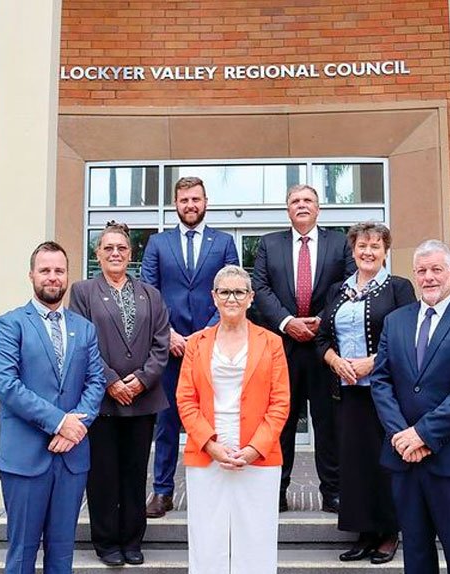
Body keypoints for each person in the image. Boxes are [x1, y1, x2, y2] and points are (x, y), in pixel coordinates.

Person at [370, 239, 450, 574]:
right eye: (421, 271)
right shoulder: (395, 321)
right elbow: (381, 381)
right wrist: (402, 436)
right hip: (404, 460)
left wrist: (423, 434)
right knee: (415, 555)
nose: (428, 277)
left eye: (436, 269)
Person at [0, 241, 106, 574]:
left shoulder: (84, 328)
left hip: (71, 459)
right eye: (45, 270)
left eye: (59, 271)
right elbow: (4, 383)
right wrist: (59, 422)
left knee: (62, 554)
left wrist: (75, 429)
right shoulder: (10, 324)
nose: (53, 277)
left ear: (67, 276)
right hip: (25, 459)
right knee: (22, 555)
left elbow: (96, 382)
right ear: (31, 275)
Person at [176, 265, 290, 574]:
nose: (232, 298)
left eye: (239, 292)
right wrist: (210, 445)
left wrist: (254, 449)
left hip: (258, 452)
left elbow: (280, 402)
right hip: (207, 450)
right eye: (225, 292)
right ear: (214, 297)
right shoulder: (196, 343)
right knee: (206, 538)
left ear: (251, 298)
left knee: (256, 538)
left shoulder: (271, 342)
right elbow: (186, 399)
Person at [69, 222, 170, 567]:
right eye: (108, 248)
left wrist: (141, 380)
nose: (115, 253)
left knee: (134, 471)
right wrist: (111, 381)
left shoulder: (150, 294)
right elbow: (82, 342)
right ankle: (107, 542)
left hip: (142, 400)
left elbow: (161, 343)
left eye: (122, 248)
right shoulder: (83, 292)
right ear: (97, 253)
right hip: (101, 399)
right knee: (102, 474)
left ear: (131, 254)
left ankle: (132, 540)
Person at [314, 222, 416, 564]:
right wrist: (335, 361)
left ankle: (388, 532)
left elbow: (406, 336)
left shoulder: (399, 288)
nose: (367, 252)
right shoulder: (337, 291)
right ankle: (363, 532)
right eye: (362, 246)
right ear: (353, 250)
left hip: (383, 391)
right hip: (346, 392)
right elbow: (322, 339)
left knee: (383, 461)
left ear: (385, 251)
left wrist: (371, 363)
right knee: (354, 463)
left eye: (375, 246)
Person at [252, 183, 356, 513]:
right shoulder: (269, 244)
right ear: (288, 209)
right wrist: (287, 322)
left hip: (324, 348)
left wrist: (321, 321)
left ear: (318, 208)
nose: (302, 205)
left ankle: (333, 492)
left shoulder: (340, 243)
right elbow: (259, 287)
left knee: (327, 423)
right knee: (280, 422)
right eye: (295, 200)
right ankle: (277, 490)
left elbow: (350, 286)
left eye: (308, 200)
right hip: (283, 347)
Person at [141, 176, 239, 518]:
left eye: (196, 199)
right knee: (166, 422)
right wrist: (167, 334)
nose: (190, 205)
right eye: (184, 200)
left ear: (205, 202)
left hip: (212, 346)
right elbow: (149, 293)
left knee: (213, 419)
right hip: (168, 348)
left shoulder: (224, 243)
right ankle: (162, 492)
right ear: (176, 204)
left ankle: (212, 489)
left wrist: (205, 334)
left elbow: (231, 290)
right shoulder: (158, 243)